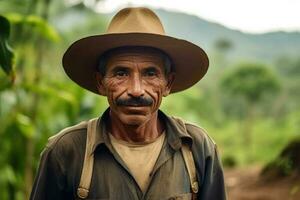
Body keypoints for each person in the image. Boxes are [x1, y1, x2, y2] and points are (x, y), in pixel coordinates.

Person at [30, 7, 226, 200]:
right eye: (121, 73)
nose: (136, 90)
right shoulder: (66, 151)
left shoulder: (197, 147)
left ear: (168, 84)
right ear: (101, 83)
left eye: (150, 73)